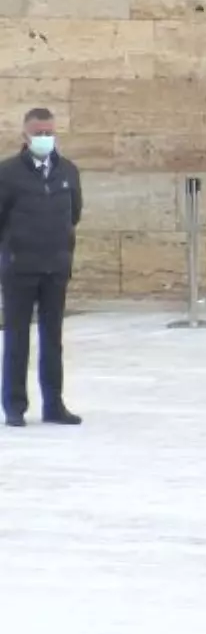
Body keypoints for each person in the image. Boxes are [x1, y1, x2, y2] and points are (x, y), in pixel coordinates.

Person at [0, 107, 82, 428]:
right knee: (17, 338)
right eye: (38, 133)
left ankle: (54, 404)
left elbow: (74, 212)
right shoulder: (7, 174)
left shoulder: (68, 171)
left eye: (49, 132)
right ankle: (15, 406)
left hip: (55, 267)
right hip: (20, 268)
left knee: (53, 338)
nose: (44, 138)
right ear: (25, 135)